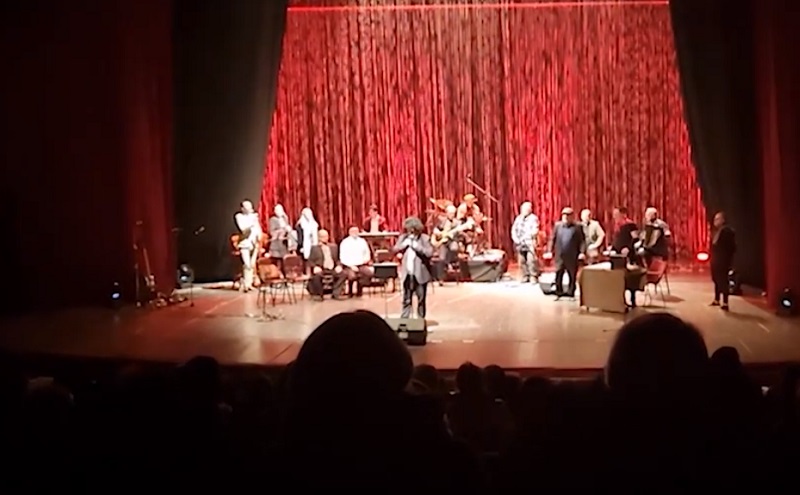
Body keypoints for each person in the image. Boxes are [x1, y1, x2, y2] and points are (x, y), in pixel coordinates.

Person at [393, 217, 434, 318]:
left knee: (421, 299)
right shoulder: (403, 238)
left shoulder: (424, 238)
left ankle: (420, 320)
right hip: (407, 273)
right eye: (408, 230)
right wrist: (403, 245)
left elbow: (429, 253)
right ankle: (405, 320)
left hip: (420, 275)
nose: (410, 232)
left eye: (412, 230)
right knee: (406, 299)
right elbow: (395, 249)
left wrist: (416, 246)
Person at [546, 207, 586, 299]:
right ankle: (558, 292)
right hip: (560, 255)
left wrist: (582, 252)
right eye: (564, 215)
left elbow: (582, 241)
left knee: (572, 275)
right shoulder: (558, 226)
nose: (565, 217)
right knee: (558, 274)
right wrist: (549, 251)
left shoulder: (577, 227)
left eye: (568, 215)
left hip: (572, 255)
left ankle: (570, 292)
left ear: (572, 217)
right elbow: (552, 239)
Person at [307, 229, 346, 300]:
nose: (325, 238)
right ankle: (319, 295)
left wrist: (339, 266)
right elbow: (310, 261)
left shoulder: (334, 247)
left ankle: (336, 293)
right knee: (316, 276)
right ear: (319, 237)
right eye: (323, 236)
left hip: (332, 268)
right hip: (321, 268)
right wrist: (315, 267)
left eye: (326, 236)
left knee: (343, 274)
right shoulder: (314, 248)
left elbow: (337, 260)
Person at [709, 211, 736, 310]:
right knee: (716, 279)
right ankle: (717, 299)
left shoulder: (727, 231)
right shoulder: (716, 231)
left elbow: (731, 247)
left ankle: (725, 302)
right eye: (715, 219)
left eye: (717, 219)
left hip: (723, 261)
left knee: (723, 281)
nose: (715, 221)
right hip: (716, 259)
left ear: (723, 220)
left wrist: (727, 259)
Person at [234, 200, 262, 292]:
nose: (249, 209)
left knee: (252, 264)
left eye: (250, 206)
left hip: (253, 243)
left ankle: (248, 284)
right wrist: (252, 221)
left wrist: (259, 236)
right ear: (242, 208)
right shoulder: (239, 216)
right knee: (247, 264)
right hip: (245, 244)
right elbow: (243, 229)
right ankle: (246, 284)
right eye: (247, 207)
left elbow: (257, 228)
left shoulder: (253, 217)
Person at [432, 205, 463, 284]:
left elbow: (460, 234)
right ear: (447, 213)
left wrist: (459, 237)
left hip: (453, 241)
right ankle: (441, 278)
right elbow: (435, 229)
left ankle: (448, 262)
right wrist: (439, 233)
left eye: (453, 213)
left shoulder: (457, 223)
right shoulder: (442, 221)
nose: (452, 215)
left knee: (454, 248)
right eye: (450, 213)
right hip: (443, 242)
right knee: (441, 259)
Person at [339, 226, 373, 297]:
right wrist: (351, 266)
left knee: (368, 273)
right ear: (349, 232)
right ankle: (350, 292)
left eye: (356, 231)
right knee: (352, 276)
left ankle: (359, 289)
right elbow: (342, 257)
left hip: (361, 264)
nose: (355, 232)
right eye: (353, 231)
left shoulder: (362, 241)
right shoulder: (345, 242)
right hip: (349, 265)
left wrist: (365, 260)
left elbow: (367, 253)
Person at [511, 201, 540, 282]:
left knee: (531, 260)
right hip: (520, 243)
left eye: (526, 209)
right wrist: (516, 239)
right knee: (522, 260)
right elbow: (514, 229)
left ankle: (533, 276)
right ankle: (524, 275)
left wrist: (527, 237)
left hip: (529, 242)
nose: (524, 210)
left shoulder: (533, 218)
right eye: (523, 209)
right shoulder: (518, 218)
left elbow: (535, 230)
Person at [268, 204, 296, 269]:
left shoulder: (284, 218)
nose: (278, 212)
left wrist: (287, 229)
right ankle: (279, 269)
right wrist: (281, 230)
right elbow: (272, 231)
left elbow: (287, 227)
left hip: (284, 240)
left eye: (280, 210)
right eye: (277, 210)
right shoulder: (273, 219)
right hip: (277, 240)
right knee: (278, 259)